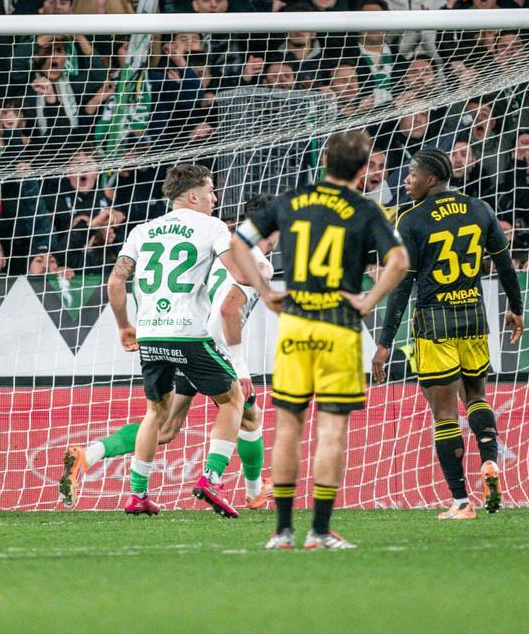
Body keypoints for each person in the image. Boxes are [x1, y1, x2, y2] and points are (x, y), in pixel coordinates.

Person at [232, 130, 408, 550]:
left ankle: (283, 531)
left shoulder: (291, 201)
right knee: (330, 430)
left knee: (288, 427)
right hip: (339, 329)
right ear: (364, 170)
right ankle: (320, 530)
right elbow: (399, 260)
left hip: (295, 324)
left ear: (324, 159)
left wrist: (266, 288)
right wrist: (368, 301)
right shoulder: (365, 209)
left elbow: (239, 240)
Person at [60, 194, 281, 510]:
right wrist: (240, 365)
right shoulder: (256, 262)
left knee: (165, 426)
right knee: (243, 410)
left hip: (175, 335)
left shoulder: (222, 246)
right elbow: (229, 310)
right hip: (206, 343)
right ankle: (239, 486)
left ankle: (89, 454)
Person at [372, 148, 525, 519]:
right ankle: (489, 461)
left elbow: (402, 286)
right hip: (473, 317)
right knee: (476, 395)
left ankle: (460, 502)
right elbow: (504, 263)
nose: (405, 181)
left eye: (411, 175)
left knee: (444, 414)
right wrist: (517, 308)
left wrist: (384, 342)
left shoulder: (411, 220)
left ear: (432, 179)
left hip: (434, 322)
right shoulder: (480, 209)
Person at [105, 163, 264, 517]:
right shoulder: (212, 226)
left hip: (149, 332)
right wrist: (261, 277)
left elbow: (116, 282)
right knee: (233, 400)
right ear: (193, 195)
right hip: (187, 332)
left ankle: (138, 494)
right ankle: (211, 478)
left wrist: (123, 326)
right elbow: (239, 273)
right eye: (210, 191)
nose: (214, 198)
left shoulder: (142, 230)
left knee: (154, 412)